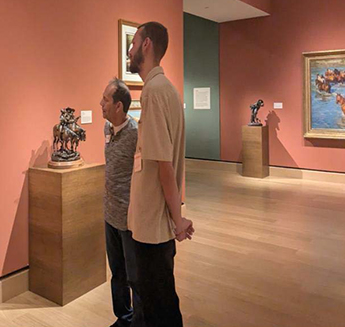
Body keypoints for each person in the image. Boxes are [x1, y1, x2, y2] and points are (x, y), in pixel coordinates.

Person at [126, 21, 194, 327]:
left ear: (146, 45)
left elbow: (163, 165)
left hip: (153, 223)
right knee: (160, 297)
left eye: (133, 42)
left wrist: (176, 219)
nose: (130, 49)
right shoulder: (166, 89)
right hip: (156, 220)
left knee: (157, 304)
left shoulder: (153, 92)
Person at [101, 78, 138, 327]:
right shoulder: (106, 128)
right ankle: (124, 318)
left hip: (128, 216)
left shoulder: (135, 133)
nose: (100, 104)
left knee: (134, 275)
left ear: (119, 106)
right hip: (109, 213)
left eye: (105, 100)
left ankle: (140, 320)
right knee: (117, 272)